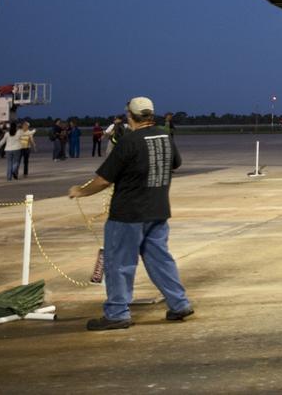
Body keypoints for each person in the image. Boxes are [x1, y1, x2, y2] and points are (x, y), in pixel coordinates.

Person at [69, 96, 193, 330]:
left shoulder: (128, 141)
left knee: (119, 263)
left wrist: (80, 191)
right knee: (161, 260)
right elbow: (175, 164)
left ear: (130, 116)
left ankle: (117, 313)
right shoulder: (165, 136)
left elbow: (103, 180)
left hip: (128, 213)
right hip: (157, 210)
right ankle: (179, 304)